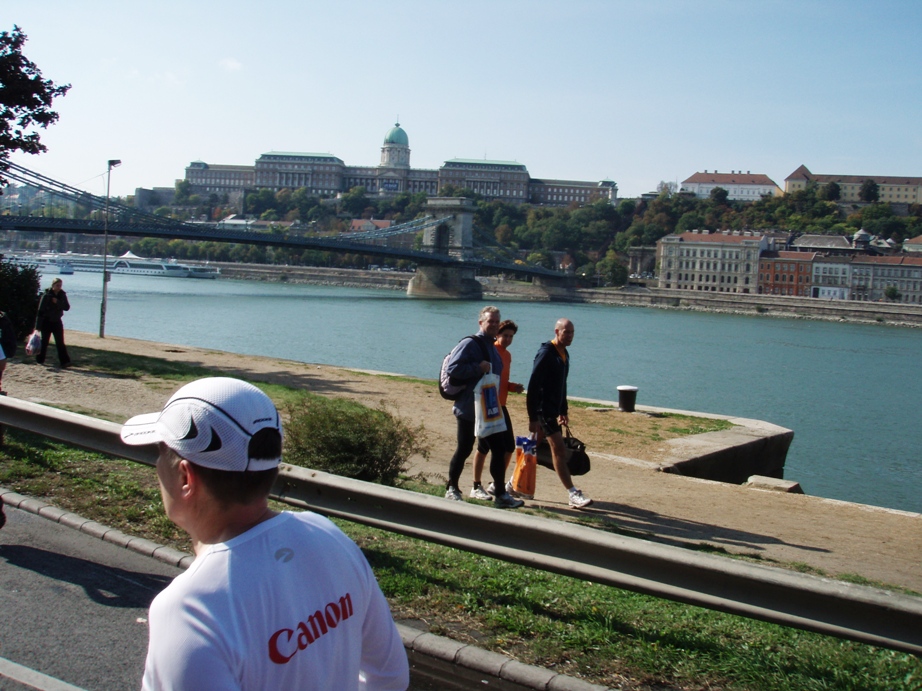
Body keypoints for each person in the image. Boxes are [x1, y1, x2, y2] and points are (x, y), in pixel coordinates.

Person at [120, 377, 409, 690]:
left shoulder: (189, 611)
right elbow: (389, 677)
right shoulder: (328, 535)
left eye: (160, 453)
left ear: (185, 476)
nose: (157, 466)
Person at [444, 306, 523, 509]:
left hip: (488, 410)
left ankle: (500, 494)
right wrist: (476, 368)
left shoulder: (494, 348)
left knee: (499, 448)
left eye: (497, 321)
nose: (494, 325)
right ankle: (451, 488)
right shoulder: (470, 343)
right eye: (491, 322)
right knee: (464, 448)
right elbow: (453, 368)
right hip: (469, 409)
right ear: (481, 323)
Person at [526, 318, 593, 509]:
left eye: (572, 332)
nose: (570, 336)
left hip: (552, 410)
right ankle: (572, 493)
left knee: (530, 449)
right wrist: (533, 416)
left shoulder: (564, 354)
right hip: (542, 411)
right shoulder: (546, 353)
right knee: (559, 450)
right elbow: (533, 385)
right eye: (566, 332)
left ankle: (511, 484)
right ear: (557, 332)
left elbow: (561, 384)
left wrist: (563, 410)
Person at [469, 320, 525, 500]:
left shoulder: (507, 355)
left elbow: (500, 381)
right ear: (497, 335)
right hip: (488, 405)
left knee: (509, 447)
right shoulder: (490, 351)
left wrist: (511, 386)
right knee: (483, 447)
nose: (508, 339)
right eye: (505, 335)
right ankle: (476, 484)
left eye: (511, 336)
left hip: (502, 405)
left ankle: (495, 484)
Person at [35, 278, 71, 368]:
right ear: (53, 285)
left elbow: (67, 307)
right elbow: (40, 311)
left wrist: (58, 302)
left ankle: (64, 361)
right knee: (44, 342)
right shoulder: (46, 295)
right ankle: (40, 359)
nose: (59, 287)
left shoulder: (62, 295)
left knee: (60, 342)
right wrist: (37, 326)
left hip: (57, 321)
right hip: (46, 322)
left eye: (60, 285)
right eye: (57, 285)